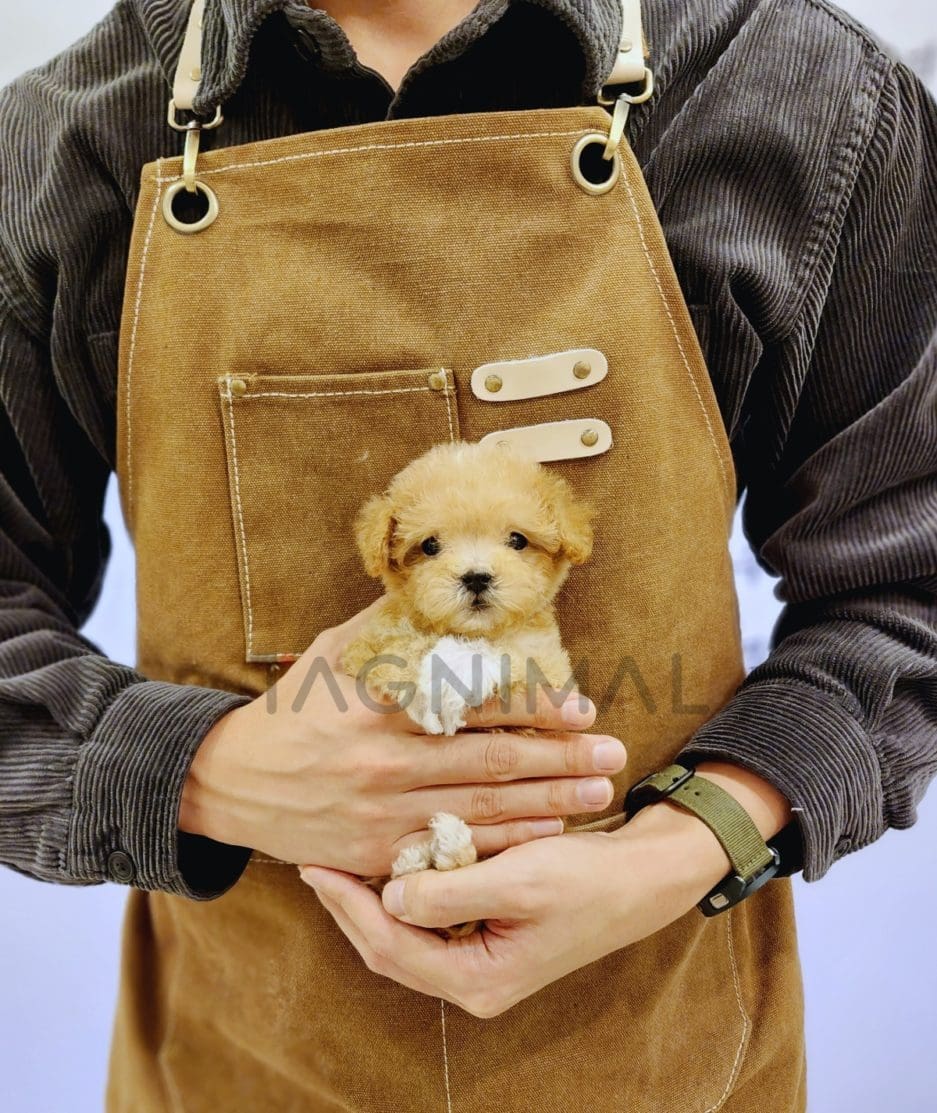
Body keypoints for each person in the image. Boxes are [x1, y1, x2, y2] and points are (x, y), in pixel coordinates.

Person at [0, 0, 934, 1110]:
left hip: (672, 1051)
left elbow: (908, 578)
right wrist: (198, 771)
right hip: (235, 1056)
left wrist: (691, 838)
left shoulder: (805, 91)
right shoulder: (62, 143)